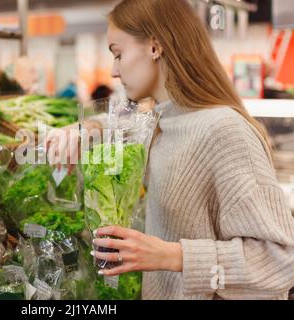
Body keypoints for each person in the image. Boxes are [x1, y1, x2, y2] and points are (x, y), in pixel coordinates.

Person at [46, 0, 294, 300]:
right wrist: (88, 129)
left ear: (154, 46)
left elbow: (281, 260)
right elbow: (127, 122)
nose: (113, 70)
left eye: (118, 53)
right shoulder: (163, 121)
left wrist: (170, 256)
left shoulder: (225, 131)